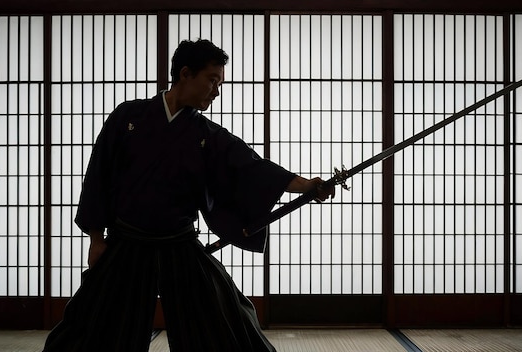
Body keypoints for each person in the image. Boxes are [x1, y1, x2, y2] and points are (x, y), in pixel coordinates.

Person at [43, 39, 335, 352]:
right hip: (126, 242)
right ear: (185, 73)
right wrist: (96, 239)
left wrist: (307, 186)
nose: (216, 91)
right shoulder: (128, 117)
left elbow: (253, 169)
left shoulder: (207, 135)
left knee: (228, 316)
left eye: (219, 83)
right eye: (212, 80)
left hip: (178, 242)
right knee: (94, 323)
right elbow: (98, 175)